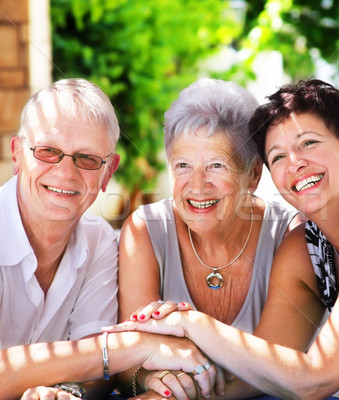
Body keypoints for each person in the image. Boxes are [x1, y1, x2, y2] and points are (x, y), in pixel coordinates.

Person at [105, 79, 339, 399]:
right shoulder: (305, 246)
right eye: (278, 156)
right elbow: (270, 368)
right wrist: (174, 392)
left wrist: (190, 324)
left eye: (308, 144)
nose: (295, 163)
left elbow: (313, 379)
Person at [0, 78, 218, 400]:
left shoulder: (99, 241)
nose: (65, 172)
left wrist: (66, 392)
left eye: (87, 159)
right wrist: (132, 346)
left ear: (108, 172)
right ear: (17, 154)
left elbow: (95, 371)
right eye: (47, 151)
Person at [117, 78, 303, 399]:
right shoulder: (145, 230)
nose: (197, 185)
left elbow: (273, 371)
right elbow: (127, 359)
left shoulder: (290, 235)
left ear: (254, 174)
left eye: (217, 165)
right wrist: (152, 379)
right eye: (183, 166)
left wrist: (183, 394)